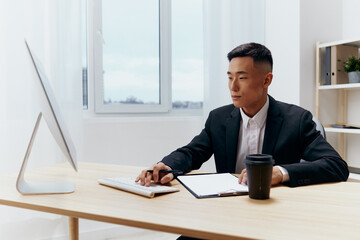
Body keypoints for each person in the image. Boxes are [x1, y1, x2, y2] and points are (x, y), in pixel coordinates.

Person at [136, 42, 349, 240]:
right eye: (230, 77)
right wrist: (167, 166)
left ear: (267, 80)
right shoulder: (218, 118)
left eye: (242, 77)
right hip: (225, 215)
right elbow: (192, 152)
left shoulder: (297, 120)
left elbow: (336, 165)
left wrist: (280, 172)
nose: (233, 86)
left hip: (275, 218)